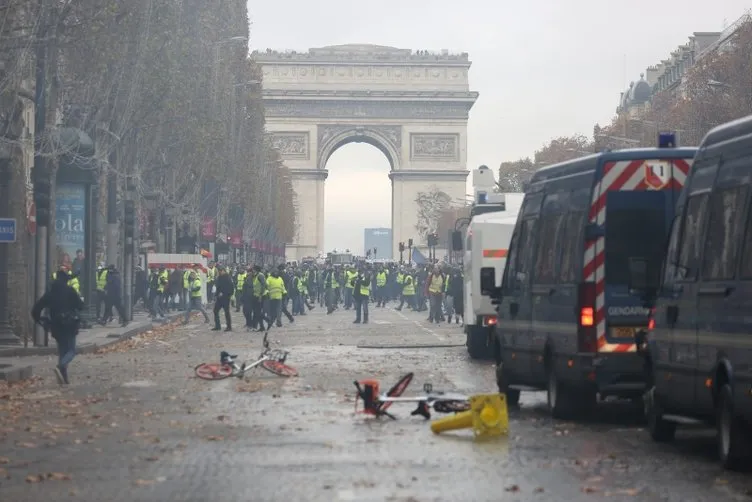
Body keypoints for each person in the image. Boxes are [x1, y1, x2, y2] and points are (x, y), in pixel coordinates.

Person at [31, 269, 84, 385]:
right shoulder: (70, 291)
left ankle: (63, 379)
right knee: (71, 350)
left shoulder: (50, 293)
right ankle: (61, 366)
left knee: (62, 350)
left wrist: (39, 320)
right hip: (69, 324)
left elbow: (36, 309)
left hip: (55, 325)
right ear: (66, 280)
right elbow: (80, 305)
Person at [212, 266, 233, 332]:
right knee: (215, 310)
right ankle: (218, 326)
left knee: (226, 312)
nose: (220, 272)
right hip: (219, 298)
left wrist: (224, 293)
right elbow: (218, 287)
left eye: (221, 271)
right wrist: (216, 295)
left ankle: (229, 326)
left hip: (226, 298)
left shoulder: (228, 278)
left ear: (224, 270)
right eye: (219, 271)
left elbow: (231, 288)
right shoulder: (219, 278)